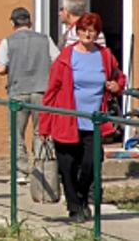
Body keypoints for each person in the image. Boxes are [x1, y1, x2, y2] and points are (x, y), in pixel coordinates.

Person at [40, 12, 126, 222]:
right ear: (77, 32)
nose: (88, 34)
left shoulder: (105, 56)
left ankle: (81, 196)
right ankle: (74, 206)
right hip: (67, 119)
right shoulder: (66, 58)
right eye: (84, 30)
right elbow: (51, 92)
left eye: (92, 31)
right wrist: (44, 125)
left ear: (97, 33)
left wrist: (117, 86)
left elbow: (118, 78)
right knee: (67, 166)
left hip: (94, 120)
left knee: (92, 162)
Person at [0, 7, 57, 182]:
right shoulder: (45, 40)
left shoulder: (8, 41)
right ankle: (41, 168)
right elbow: (57, 61)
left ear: (13, 23)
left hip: (17, 91)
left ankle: (20, 172)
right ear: (30, 22)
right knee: (41, 131)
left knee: (17, 133)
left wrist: (12, 66)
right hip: (42, 90)